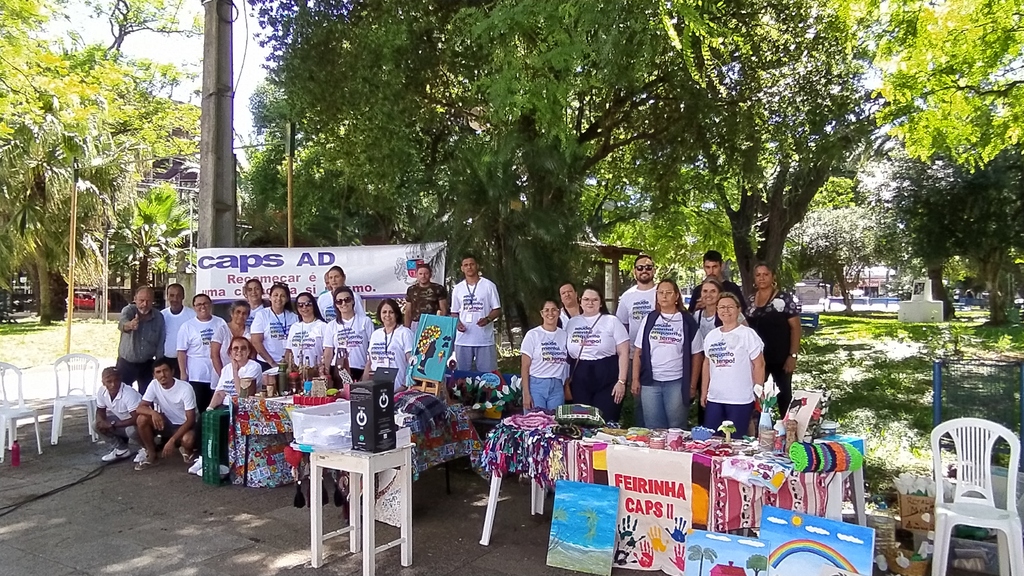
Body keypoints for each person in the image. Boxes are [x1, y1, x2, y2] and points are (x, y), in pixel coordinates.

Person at [631, 280, 703, 429]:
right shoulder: (649, 319)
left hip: (676, 382)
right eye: (660, 292)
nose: (664, 296)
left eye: (668, 292)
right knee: (653, 427)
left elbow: (697, 355)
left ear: (676, 296)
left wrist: (692, 385)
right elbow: (638, 351)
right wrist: (635, 379)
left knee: (676, 427)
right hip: (650, 383)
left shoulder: (687, 321)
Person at [701, 292, 765, 433]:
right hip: (715, 398)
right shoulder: (712, 336)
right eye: (722, 307)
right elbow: (706, 364)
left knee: (735, 442)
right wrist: (704, 392)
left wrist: (758, 392)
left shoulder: (748, 334)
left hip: (740, 399)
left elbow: (759, 364)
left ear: (738, 309)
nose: (726, 311)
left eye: (730, 307)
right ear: (717, 310)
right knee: (712, 440)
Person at [565, 286, 630, 423]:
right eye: (586, 299)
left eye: (595, 300)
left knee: (605, 421)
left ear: (601, 303)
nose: (590, 303)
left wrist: (621, 381)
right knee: (583, 422)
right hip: (580, 377)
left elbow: (623, 352)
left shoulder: (612, 321)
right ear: (580, 301)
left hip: (607, 375)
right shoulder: (572, 323)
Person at [745, 262, 801, 416]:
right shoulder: (749, 300)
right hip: (757, 359)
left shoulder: (785, 298)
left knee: (784, 397)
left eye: (765, 274)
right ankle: (757, 432)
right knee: (756, 396)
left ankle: (789, 433)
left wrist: (793, 355)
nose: (762, 278)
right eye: (758, 275)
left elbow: (796, 328)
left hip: (780, 358)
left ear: (773, 276)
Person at [615, 254, 657, 427]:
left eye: (648, 267)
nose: (644, 270)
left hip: (660, 355)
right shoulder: (627, 297)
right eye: (640, 267)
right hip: (635, 356)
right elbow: (621, 325)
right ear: (634, 272)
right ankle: (642, 437)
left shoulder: (662, 291)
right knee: (639, 400)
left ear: (654, 270)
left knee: (657, 398)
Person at [135, 358, 197, 470]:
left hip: (185, 426)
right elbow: (139, 408)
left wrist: (172, 441)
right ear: (154, 375)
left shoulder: (185, 388)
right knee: (141, 419)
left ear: (172, 372)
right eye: (158, 372)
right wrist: (153, 412)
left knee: (188, 440)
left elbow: (190, 420)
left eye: (165, 370)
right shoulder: (154, 384)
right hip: (167, 423)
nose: (162, 375)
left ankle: (186, 449)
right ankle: (152, 454)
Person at [176, 293, 227, 413]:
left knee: (217, 408)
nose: (202, 307)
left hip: (217, 373)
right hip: (197, 375)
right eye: (198, 304)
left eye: (205, 303)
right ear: (194, 307)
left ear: (210, 305)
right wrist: (183, 373)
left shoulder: (221, 323)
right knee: (201, 408)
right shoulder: (187, 326)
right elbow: (181, 352)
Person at [450, 254, 502, 372]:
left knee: (488, 376)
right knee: (462, 377)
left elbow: (497, 309)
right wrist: (457, 323)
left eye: (472, 264)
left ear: (477, 266)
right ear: (462, 268)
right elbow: (454, 312)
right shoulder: (458, 288)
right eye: (466, 265)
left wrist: (488, 319)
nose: (469, 267)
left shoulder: (489, 286)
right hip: (463, 339)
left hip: (484, 339)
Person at [521, 299, 569, 410]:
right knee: (535, 423)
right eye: (546, 310)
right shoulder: (533, 335)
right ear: (542, 313)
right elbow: (525, 367)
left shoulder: (564, 335)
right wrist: (526, 394)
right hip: (536, 385)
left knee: (554, 423)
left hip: (557, 386)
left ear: (559, 312)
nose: (550, 313)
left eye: (554, 310)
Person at [116, 286, 165, 394]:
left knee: (147, 396)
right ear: (135, 299)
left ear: (153, 301)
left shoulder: (158, 317)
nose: (144, 304)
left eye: (148, 301)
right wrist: (130, 325)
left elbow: (160, 344)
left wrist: (158, 366)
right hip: (126, 363)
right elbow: (122, 324)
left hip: (147, 364)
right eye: (141, 300)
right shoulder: (129, 310)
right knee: (121, 394)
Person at [324, 286, 375, 382]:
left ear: (353, 301)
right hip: (337, 370)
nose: (343, 303)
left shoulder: (365, 321)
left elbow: (372, 349)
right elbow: (328, 351)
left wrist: (367, 370)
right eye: (339, 301)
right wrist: (326, 373)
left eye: (347, 300)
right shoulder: (331, 325)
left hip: (359, 368)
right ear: (336, 305)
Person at [94, 366, 142, 462]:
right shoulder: (101, 391)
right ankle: (121, 449)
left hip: (139, 425)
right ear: (103, 382)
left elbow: (137, 418)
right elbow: (100, 410)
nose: (113, 384)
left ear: (121, 380)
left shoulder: (129, 393)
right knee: (95, 424)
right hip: (122, 422)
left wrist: (112, 424)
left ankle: (146, 448)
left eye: (116, 380)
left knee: (131, 430)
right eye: (109, 381)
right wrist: (101, 421)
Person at [367, 299, 415, 391]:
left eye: (391, 312)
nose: (387, 315)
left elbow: (411, 362)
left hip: (399, 388)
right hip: (377, 388)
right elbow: (369, 363)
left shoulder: (405, 333)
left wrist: (405, 385)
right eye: (384, 312)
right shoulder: (375, 334)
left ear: (396, 314)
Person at [251, 283, 299, 369]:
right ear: (270, 297)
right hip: (266, 363)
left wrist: (287, 362)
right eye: (275, 295)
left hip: (288, 363)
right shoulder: (262, 315)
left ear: (287, 299)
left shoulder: (294, 317)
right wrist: (272, 363)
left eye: (283, 296)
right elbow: (256, 342)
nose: (279, 299)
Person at [209, 336, 262, 408]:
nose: (239, 351)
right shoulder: (226, 369)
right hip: (226, 406)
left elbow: (242, 394)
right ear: (230, 352)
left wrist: (235, 371)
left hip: (245, 407)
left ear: (248, 351)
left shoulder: (254, 367)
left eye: (243, 348)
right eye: (235, 348)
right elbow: (219, 393)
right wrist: (210, 408)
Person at [286, 291, 329, 370]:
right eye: (300, 305)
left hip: (317, 370)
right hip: (297, 371)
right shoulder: (294, 327)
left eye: (307, 304)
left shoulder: (323, 326)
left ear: (314, 305)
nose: (304, 307)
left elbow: (328, 352)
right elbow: (289, 350)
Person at [160, 283, 195, 378]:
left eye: (178, 295)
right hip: (166, 360)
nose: (175, 299)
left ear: (183, 296)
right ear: (167, 296)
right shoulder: (161, 316)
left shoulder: (192, 315)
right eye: (171, 295)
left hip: (187, 361)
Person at [403, 262, 449, 333]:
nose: (423, 276)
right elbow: (408, 311)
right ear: (416, 275)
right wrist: (406, 329)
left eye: (426, 273)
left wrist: (440, 325)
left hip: (433, 323)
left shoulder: (438, 289)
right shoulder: (411, 290)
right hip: (416, 324)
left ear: (430, 274)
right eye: (420, 274)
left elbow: (443, 309)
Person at [211, 300, 252, 376]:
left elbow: (251, 356)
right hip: (221, 374)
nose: (240, 315)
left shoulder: (250, 332)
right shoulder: (222, 330)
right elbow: (214, 355)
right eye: (238, 312)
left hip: (243, 376)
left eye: (244, 313)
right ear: (232, 313)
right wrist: (223, 376)